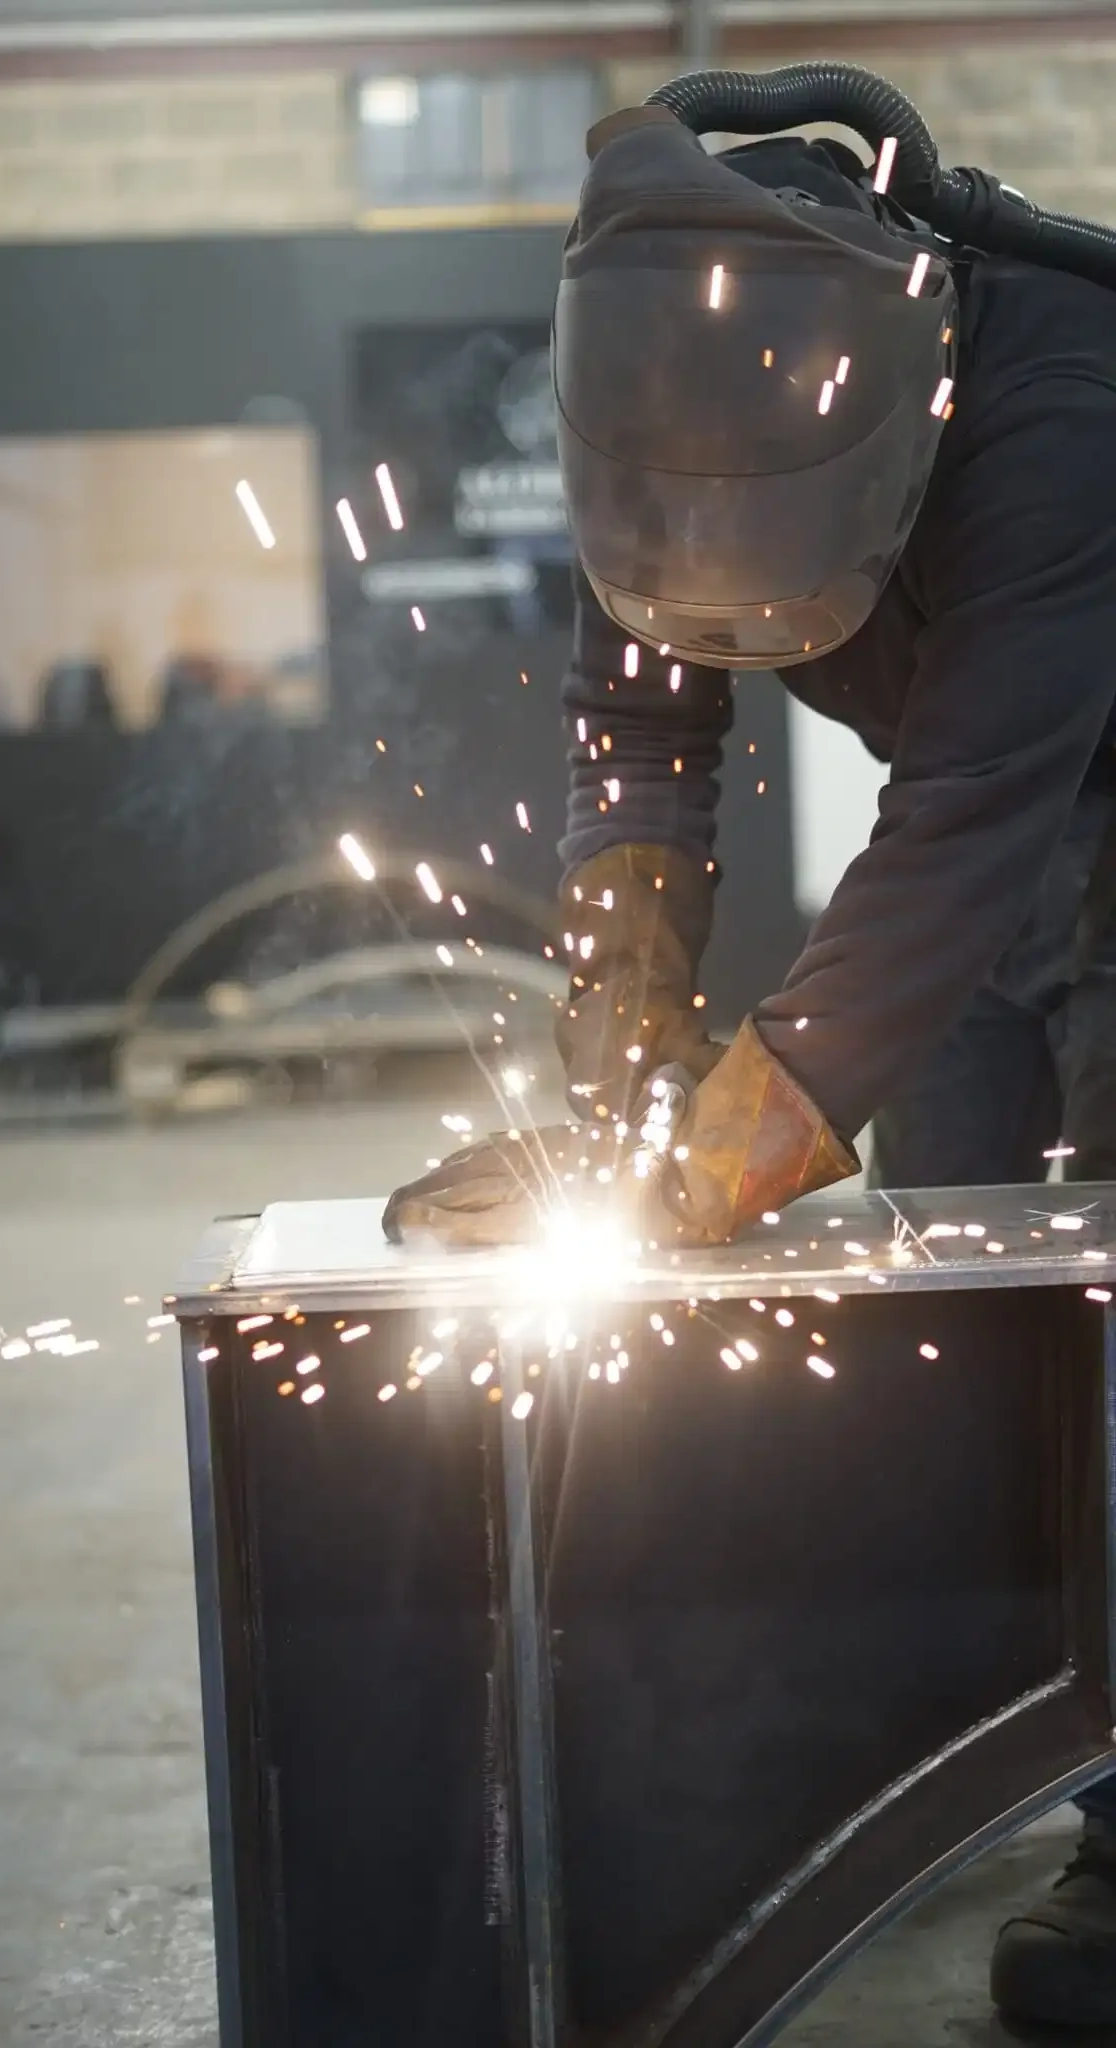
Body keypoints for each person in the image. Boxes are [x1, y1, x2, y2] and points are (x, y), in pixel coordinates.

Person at [384, 74, 1116, 2024]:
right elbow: (639, 745)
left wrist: (713, 1162)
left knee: (1112, 1299)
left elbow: (970, 823)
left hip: (1069, 796)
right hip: (989, 835)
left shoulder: (1054, 407)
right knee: (964, 1287)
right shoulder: (685, 388)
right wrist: (620, 1077)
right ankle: (969, 1753)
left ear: (888, 388)